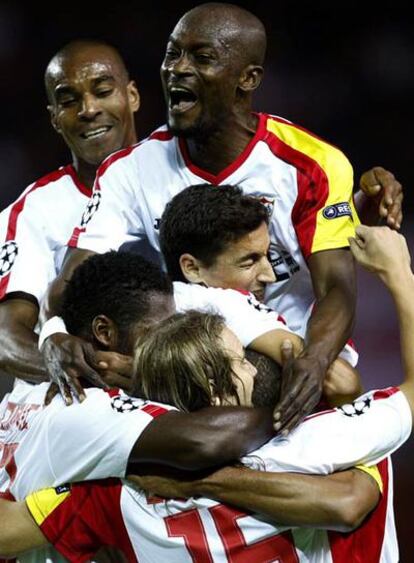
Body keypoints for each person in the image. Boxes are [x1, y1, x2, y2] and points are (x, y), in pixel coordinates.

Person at [42, 3, 403, 433]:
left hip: (293, 357)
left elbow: (337, 288)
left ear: (247, 79)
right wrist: (53, 335)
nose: (178, 69)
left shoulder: (311, 165)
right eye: (172, 54)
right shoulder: (129, 170)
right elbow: (72, 284)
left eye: (201, 58)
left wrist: (313, 360)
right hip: (198, 358)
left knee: (340, 382)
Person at [2, 253, 413, 562]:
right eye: (240, 360)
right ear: (217, 391)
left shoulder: (121, 485)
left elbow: (12, 530)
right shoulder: (323, 442)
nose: (253, 366)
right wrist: (398, 274)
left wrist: (200, 484)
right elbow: (350, 502)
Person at [0, 39, 140, 385]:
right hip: (80, 400)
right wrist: (93, 375)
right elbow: (5, 336)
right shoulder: (34, 211)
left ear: (132, 96)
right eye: (68, 100)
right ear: (54, 119)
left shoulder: (175, 177)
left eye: (103, 91)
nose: (88, 109)